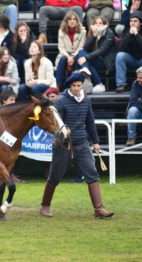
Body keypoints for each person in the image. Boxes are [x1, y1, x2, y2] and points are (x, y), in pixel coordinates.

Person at [40, 72, 114, 219]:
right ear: (70, 86)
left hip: (82, 143)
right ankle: (45, 205)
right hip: (63, 145)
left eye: (79, 86)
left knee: (92, 173)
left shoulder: (86, 100)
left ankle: (98, 209)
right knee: (55, 176)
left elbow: (90, 122)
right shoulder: (60, 102)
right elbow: (54, 123)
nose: (76, 88)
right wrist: (63, 129)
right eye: (74, 86)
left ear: (82, 85)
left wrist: (96, 141)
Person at [75, 16, 117, 92]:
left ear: (105, 25)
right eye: (96, 23)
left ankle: (81, 82)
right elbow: (86, 48)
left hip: (106, 62)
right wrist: (94, 35)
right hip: (95, 58)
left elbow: (102, 50)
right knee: (81, 55)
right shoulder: (94, 33)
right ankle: (97, 84)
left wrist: (86, 58)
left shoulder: (109, 34)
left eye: (100, 23)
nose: (98, 25)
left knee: (83, 60)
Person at [55, 11, 86, 91]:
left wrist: (72, 56)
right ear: (66, 21)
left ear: (77, 21)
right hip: (64, 54)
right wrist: (68, 57)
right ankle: (58, 85)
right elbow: (61, 47)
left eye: (74, 19)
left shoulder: (83, 31)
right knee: (62, 59)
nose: (72, 21)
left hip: (76, 54)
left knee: (77, 60)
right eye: (70, 19)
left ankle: (73, 86)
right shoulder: (61, 31)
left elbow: (81, 47)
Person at [115, 11, 142, 92]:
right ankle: (121, 84)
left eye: (135, 21)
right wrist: (129, 34)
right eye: (131, 21)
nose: (132, 23)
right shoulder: (126, 31)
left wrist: (136, 34)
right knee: (120, 56)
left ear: (140, 23)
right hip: (131, 59)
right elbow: (120, 48)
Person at [126, 66, 142, 146]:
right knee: (132, 110)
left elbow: (136, 101)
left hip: (139, 107)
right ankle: (131, 137)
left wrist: (139, 100)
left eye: (140, 78)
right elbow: (132, 101)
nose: (138, 79)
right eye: (138, 77)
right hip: (139, 111)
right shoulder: (135, 83)